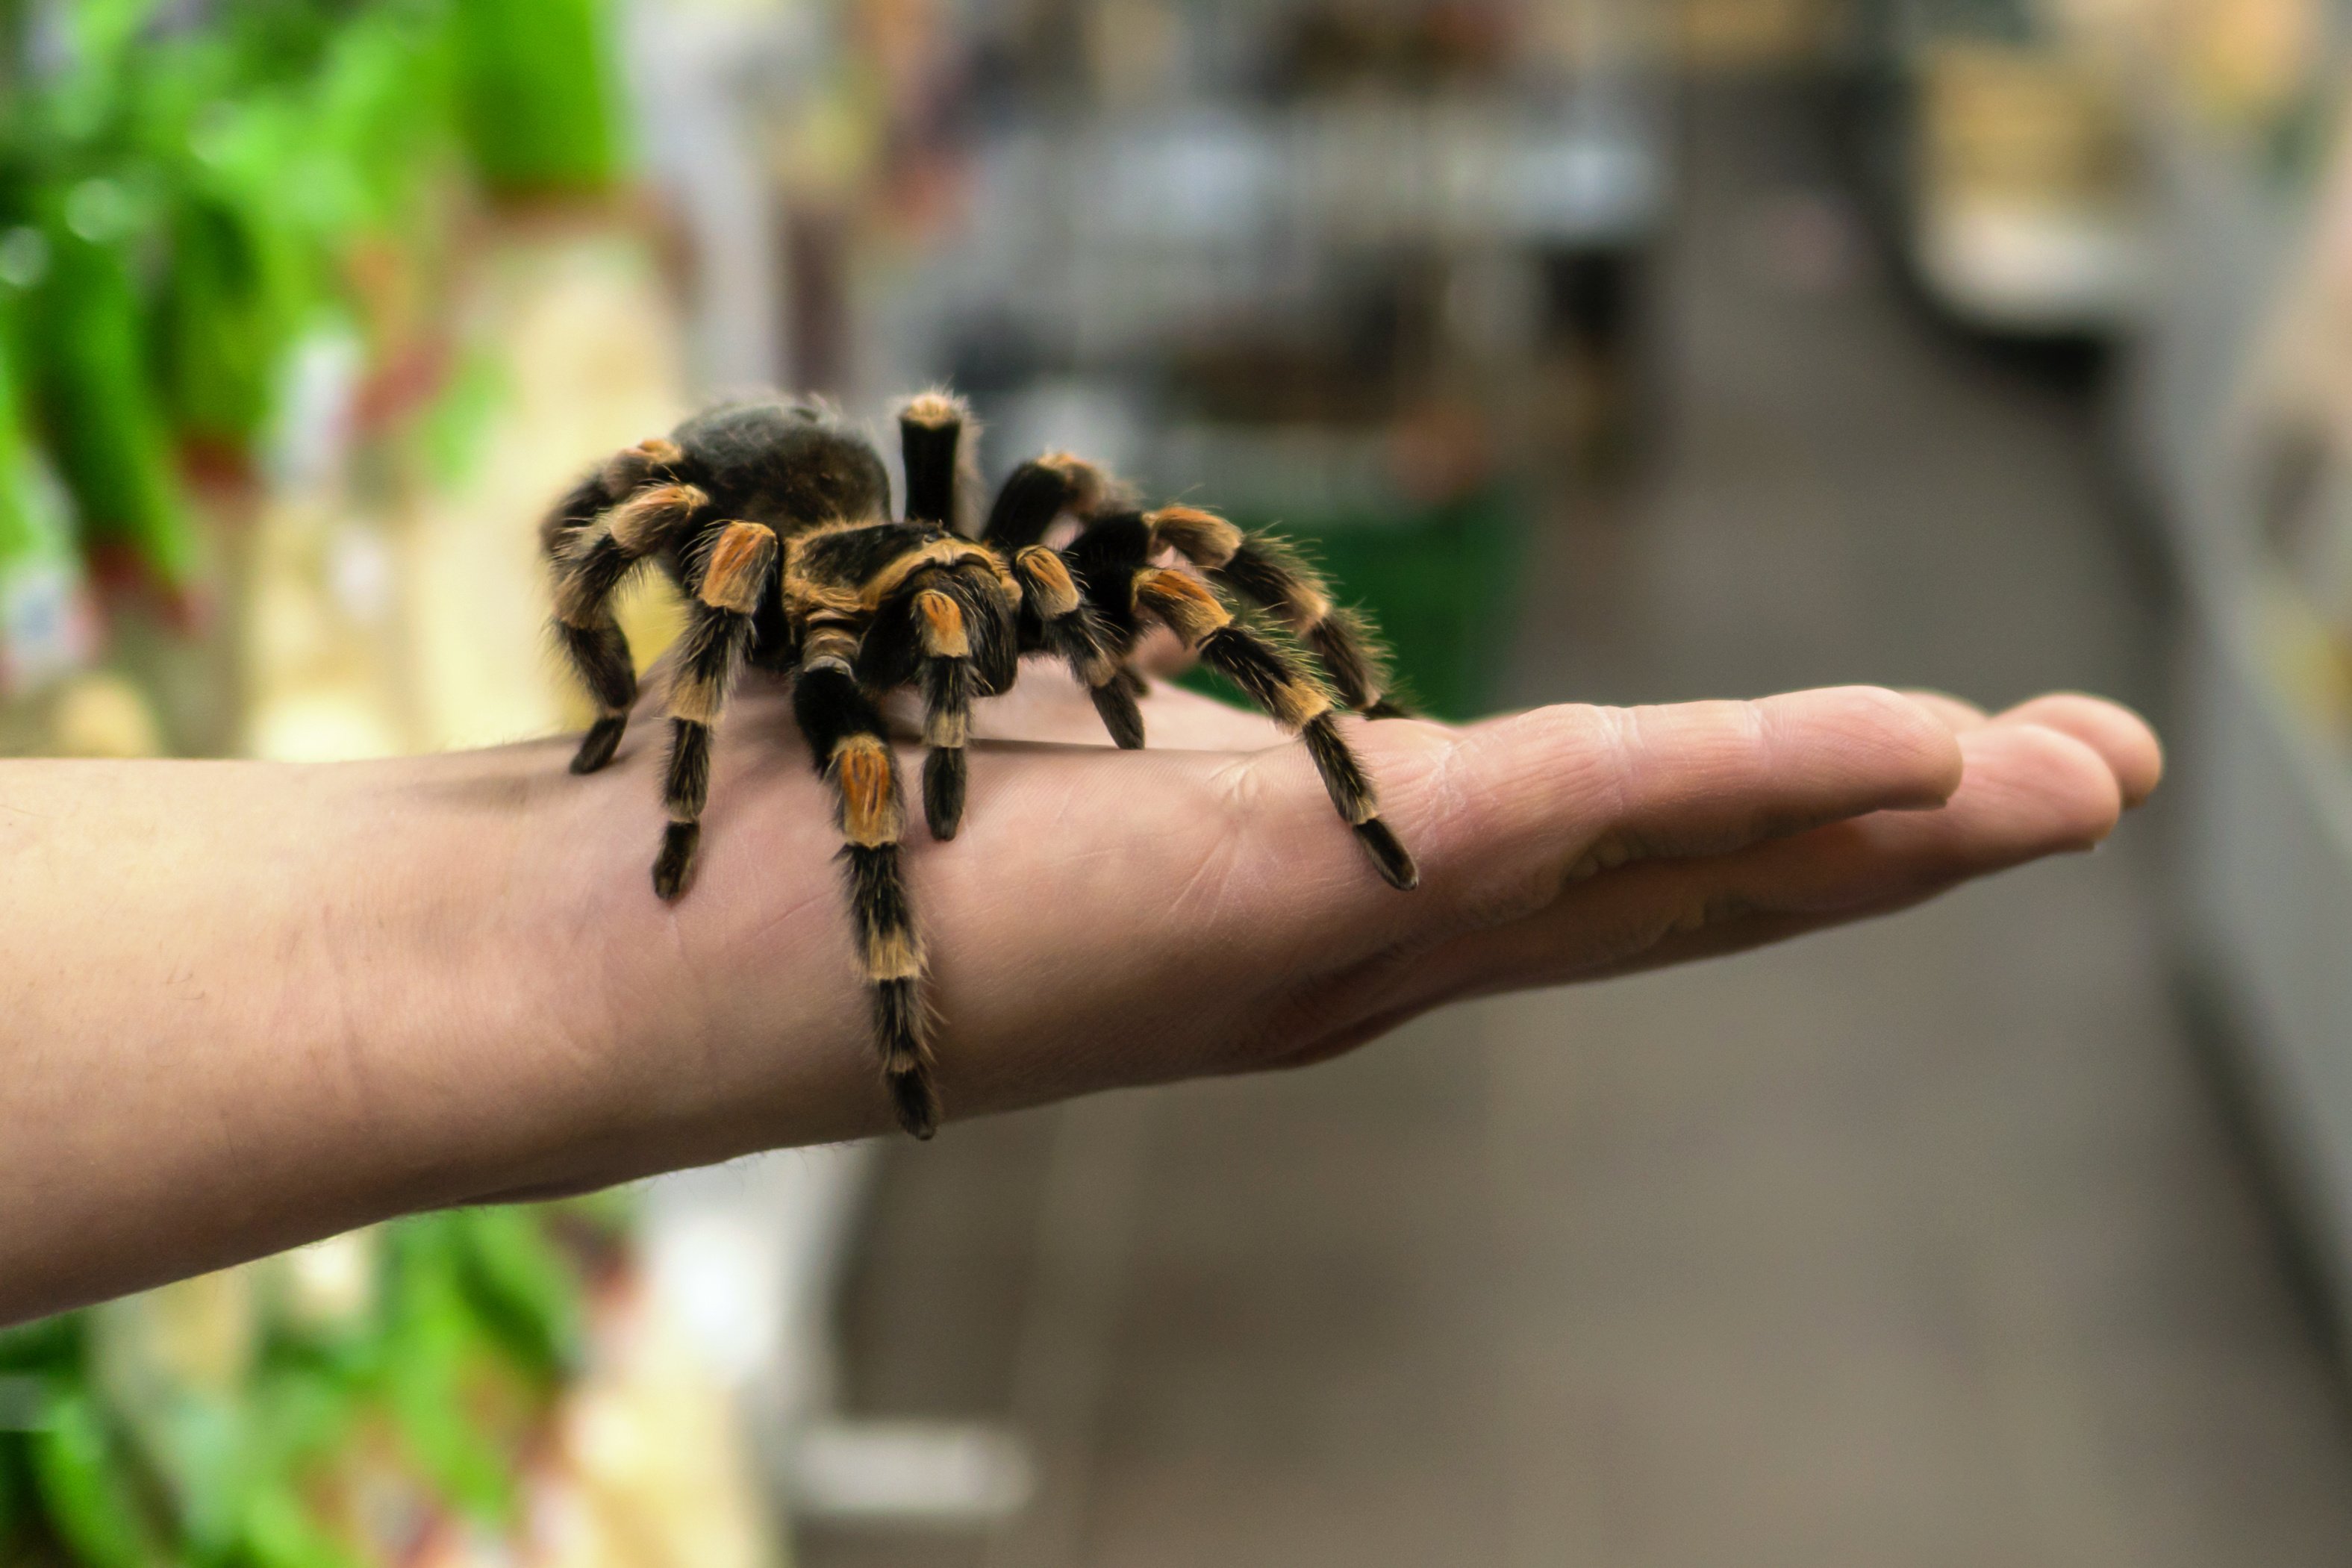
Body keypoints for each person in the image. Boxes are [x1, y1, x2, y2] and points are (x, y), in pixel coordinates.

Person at [0, 663, 2159, 1325]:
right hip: (757, 617)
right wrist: (597, 870)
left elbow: (1106, 578)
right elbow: (672, 554)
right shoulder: (766, 595)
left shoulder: (997, 570)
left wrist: (1317, 699)